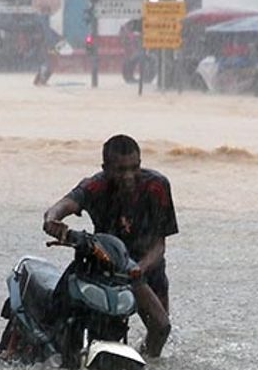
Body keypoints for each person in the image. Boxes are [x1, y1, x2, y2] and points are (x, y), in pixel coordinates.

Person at [42, 134, 177, 357]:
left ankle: (143, 363)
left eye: (134, 168)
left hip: (144, 269)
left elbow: (159, 245)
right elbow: (64, 204)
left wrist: (139, 268)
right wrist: (52, 220)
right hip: (104, 265)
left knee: (161, 327)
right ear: (105, 168)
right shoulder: (96, 185)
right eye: (120, 170)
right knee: (58, 318)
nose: (128, 176)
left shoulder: (157, 187)